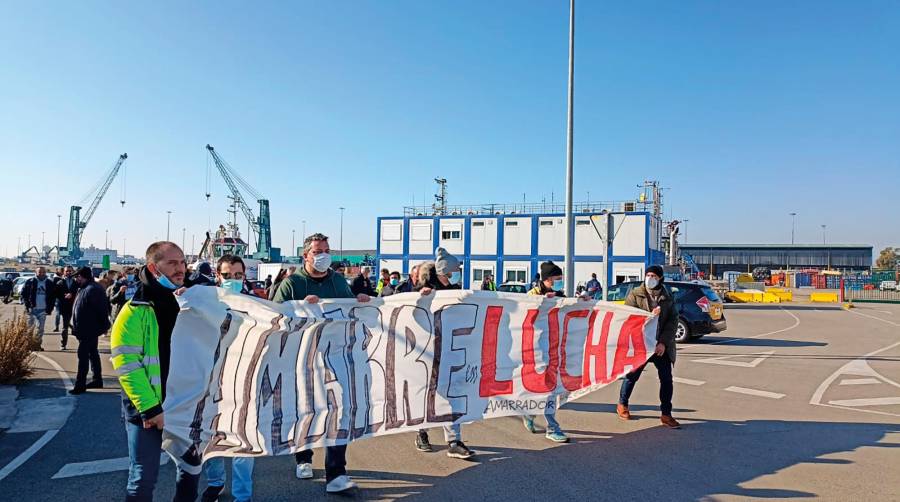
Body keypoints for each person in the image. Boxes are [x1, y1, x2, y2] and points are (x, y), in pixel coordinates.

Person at [271, 233, 371, 494]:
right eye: (318, 251)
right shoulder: (292, 284)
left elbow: (348, 311)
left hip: (335, 358)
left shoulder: (338, 281)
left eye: (326, 250)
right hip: (301, 359)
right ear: (306, 255)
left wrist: (359, 302)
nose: (323, 255)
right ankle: (303, 457)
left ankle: (336, 473)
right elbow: (274, 320)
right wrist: (299, 310)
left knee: (339, 410)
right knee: (305, 409)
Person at [110, 241, 199, 501]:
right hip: (148, 410)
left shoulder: (195, 302)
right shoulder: (135, 310)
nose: (180, 268)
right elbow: (128, 366)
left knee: (191, 471)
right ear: (153, 267)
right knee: (142, 479)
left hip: (187, 405)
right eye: (172, 263)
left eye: (182, 262)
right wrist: (151, 408)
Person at [200, 254, 255, 502]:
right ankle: (215, 482)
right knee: (212, 435)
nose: (232, 279)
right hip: (210, 378)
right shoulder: (205, 302)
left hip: (244, 378)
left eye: (238, 275)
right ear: (217, 276)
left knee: (244, 439)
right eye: (227, 275)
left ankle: (243, 495)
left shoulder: (257, 305)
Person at [413, 248, 475, 460]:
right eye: (455, 270)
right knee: (427, 394)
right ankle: (421, 431)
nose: (458, 273)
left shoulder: (457, 291)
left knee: (452, 394)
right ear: (444, 272)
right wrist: (420, 300)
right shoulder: (424, 291)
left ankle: (454, 441)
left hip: (451, 350)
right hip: (426, 351)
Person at [617, 265, 681, 429]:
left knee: (666, 379)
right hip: (641, 344)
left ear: (660, 278)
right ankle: (622, 403)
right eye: (648, 275)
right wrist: (648, 318)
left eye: (653, 276)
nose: (650, 278)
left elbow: (673, 321)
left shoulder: (667, 296)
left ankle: (666, 414)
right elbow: (629, 318)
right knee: (632, 376)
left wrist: (663, 343)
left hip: (660, 345)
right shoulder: (635, 294)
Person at [523, 261, 570, 443]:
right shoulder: (531, 296)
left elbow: (570, 309)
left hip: (554, 348)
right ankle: (551, 427)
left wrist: (583, 303)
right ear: (548, 280)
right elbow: (526, 317)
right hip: (535, 350)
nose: (560, 282)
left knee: (550, 388)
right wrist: (543, 302)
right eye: (557, 279)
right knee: (545, 388)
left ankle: (532, 415)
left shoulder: (560, 296)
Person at [69, 267, 109, 394]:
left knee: (83, 355)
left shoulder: (93, 289)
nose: (76, 279)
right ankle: (97, 380)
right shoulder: (85, 288)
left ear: (83, 276)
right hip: (85, 329)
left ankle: (80, 385)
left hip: (89, 329)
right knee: (92, 353)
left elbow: (102, 310)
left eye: (77, 277)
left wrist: (104, 326)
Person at [22, 266, 56, 351]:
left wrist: (50, 309)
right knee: (29, 329)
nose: (41, 274)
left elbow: (52, 297)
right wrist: (27, 306)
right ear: (36, 272)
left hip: (43, 309)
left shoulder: (49, 283)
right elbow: (24, 294)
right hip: (32, 309)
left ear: (45, 273)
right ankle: (28, 345)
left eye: (43, 272)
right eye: (39, 272)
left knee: (40, 329)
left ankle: (37, 345)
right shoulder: (30, 282)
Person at [54, 265, 78, 350]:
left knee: (78, 325)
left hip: (75, 307)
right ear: (63, 272)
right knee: (65, 326)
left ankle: (81, 341)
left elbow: (80, 292)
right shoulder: (60, 283)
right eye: (67, 271)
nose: (68, 272)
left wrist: (72, 294)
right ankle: (63, 344)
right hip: (64, 307)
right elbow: (56, 295)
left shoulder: (76, 282)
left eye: (70, 271)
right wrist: (63, 297)